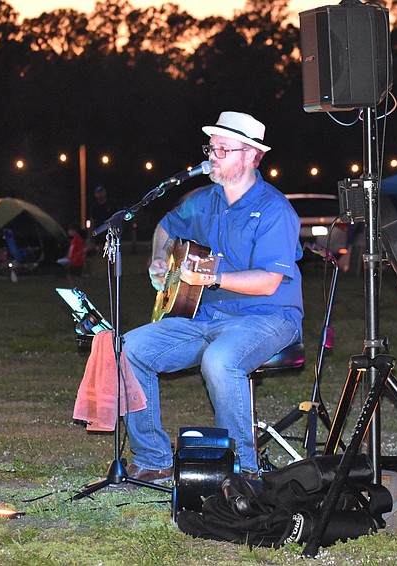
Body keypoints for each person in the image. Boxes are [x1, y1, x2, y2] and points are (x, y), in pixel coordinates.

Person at [120, 111, 303, 483]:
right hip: (206, 318)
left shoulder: (274, 209)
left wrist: (213, 277)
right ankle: (154, 458)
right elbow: (166, 226)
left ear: (252, 156)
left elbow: (269, 281)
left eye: (223, 148)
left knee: (220, 360)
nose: (212, 156)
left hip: (269, 317)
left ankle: (243, 472)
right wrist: (159, 258)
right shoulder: (204, 200)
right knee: (128, 348)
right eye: (211, 147)